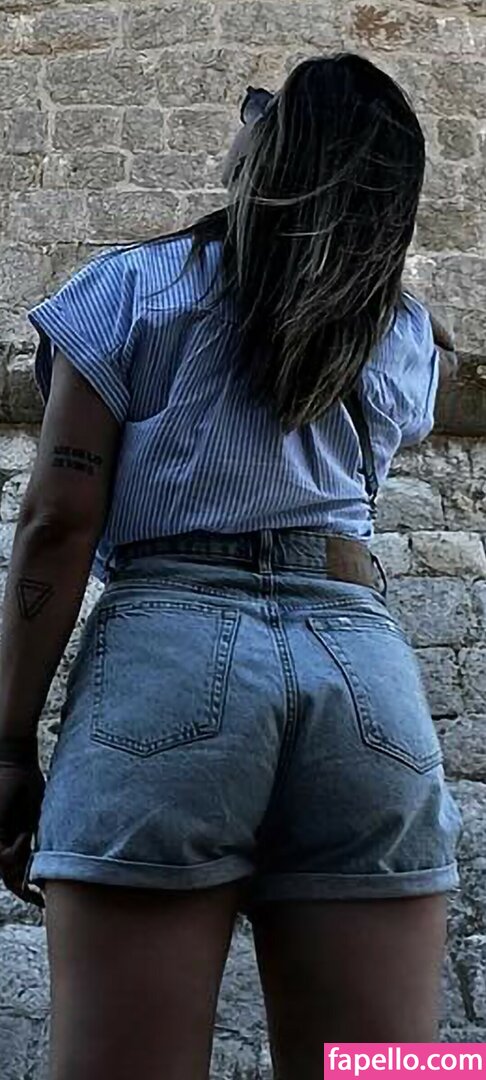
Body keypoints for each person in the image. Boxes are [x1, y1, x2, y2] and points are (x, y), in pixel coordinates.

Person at [0, 54, 462, 1080]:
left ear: (273, 150)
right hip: (364, 673)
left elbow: (57, 524)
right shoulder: (402, 333)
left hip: (169, 653)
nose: (241, 117)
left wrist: (7, 745)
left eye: (260, 107)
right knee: (381, 1069)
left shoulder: (126, 288)